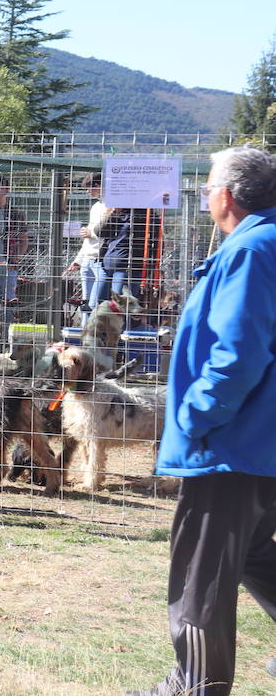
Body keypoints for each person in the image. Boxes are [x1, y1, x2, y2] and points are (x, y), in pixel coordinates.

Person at [130, 147, 276, 696]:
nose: (203, 196)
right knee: (256, 553)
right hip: (260, 441)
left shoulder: (253, 249)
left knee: (202, 572)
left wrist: (193, 417)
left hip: (231, 442)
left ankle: (195, 685)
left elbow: (237, 353)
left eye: (206, 187)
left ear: (226, 195)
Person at [63, 173, 108, 323]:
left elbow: (110, 233)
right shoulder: (95, 207)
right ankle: (84, 332)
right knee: (86, 302)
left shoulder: (112, 206)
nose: (87, 192)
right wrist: (78, 260)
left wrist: (91, 233)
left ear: (97, 186)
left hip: (100, 260)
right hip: (87, 260)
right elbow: (87, 238)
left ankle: (93, 334)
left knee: (95, 303)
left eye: (88, 189)